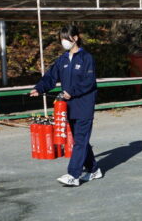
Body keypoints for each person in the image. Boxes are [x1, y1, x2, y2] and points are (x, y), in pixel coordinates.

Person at [30, 24, 101, 187]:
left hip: (84, 105)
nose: (63, 42)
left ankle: (73, 174)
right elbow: (50, 77)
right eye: (61, 39)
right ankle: (94, 169)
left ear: (75, 38)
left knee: (80, 140)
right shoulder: (62, 59)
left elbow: (89, 82)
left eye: (66, 38)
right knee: (80, 140)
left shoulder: (86, 58)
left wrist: (72, 92)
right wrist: (39, 88)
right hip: (68, 106)